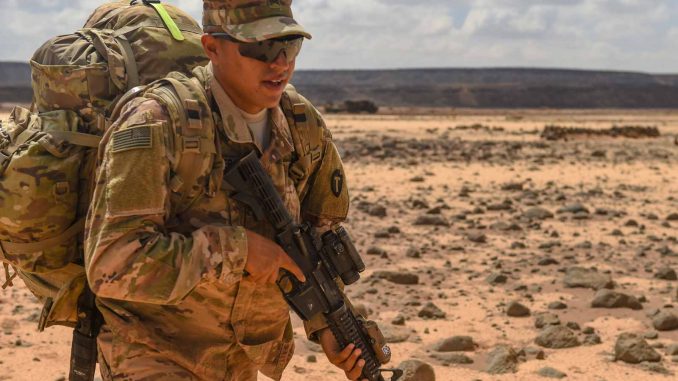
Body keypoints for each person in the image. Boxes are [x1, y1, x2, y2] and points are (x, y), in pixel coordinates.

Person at [84, 0, 367, 380]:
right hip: (155, 350)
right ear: (211, 47)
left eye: (290, 46)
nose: (279, 63)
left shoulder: (303, 125)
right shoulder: (157, 124)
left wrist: (328, 325)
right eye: (260, 48)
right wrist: (235, 250)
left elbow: (316, 243)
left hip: (241, 356)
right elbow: (111, 264)